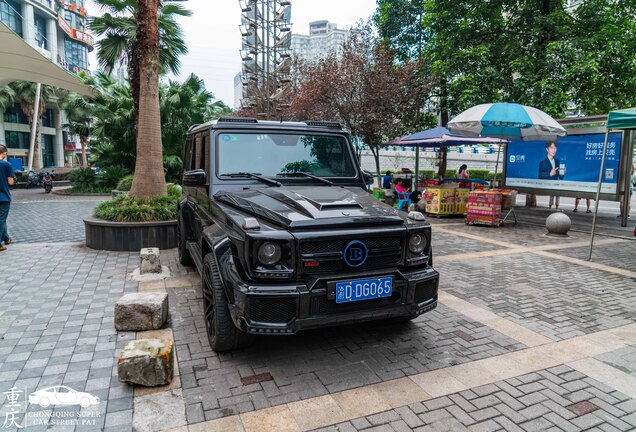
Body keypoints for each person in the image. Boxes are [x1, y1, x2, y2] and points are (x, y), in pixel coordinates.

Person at [538, 141, 565, 209]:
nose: (554, 150)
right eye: (552, 148)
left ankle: (557, 206)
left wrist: (563, 172)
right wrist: (549, 174)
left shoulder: (557, 161)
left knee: (557, 194)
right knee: (551, 195)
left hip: (556, 183)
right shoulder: (543, 162)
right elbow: (540, 176)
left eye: (555, 148)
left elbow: (560, 177)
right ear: (547, 149)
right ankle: (550, 206)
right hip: (548, 184)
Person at [0, 145, 15, 252]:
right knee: (1, 219)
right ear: (4, 153)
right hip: (4, 197)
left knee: (2, 219)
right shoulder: (7, 165)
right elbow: (10, 182)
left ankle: (6, 238)